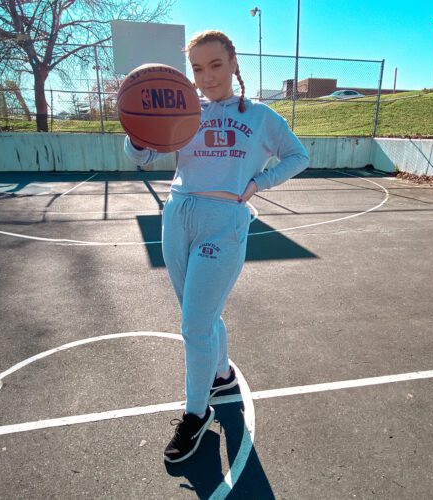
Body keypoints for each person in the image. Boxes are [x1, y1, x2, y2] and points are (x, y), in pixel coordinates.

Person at [124, 30, 309, 463]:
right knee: (201, 314)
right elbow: (143, 157)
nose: (206, 77)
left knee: (194, 325)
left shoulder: (261, 116)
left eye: (215, 65)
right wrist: (136, 131)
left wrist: (259, 182)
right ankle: (222, 374)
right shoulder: (185, 111)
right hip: (177, 214)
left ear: (233, 64)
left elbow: (298, 156)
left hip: (224, 221)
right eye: (197, 69)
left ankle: (197, 412)